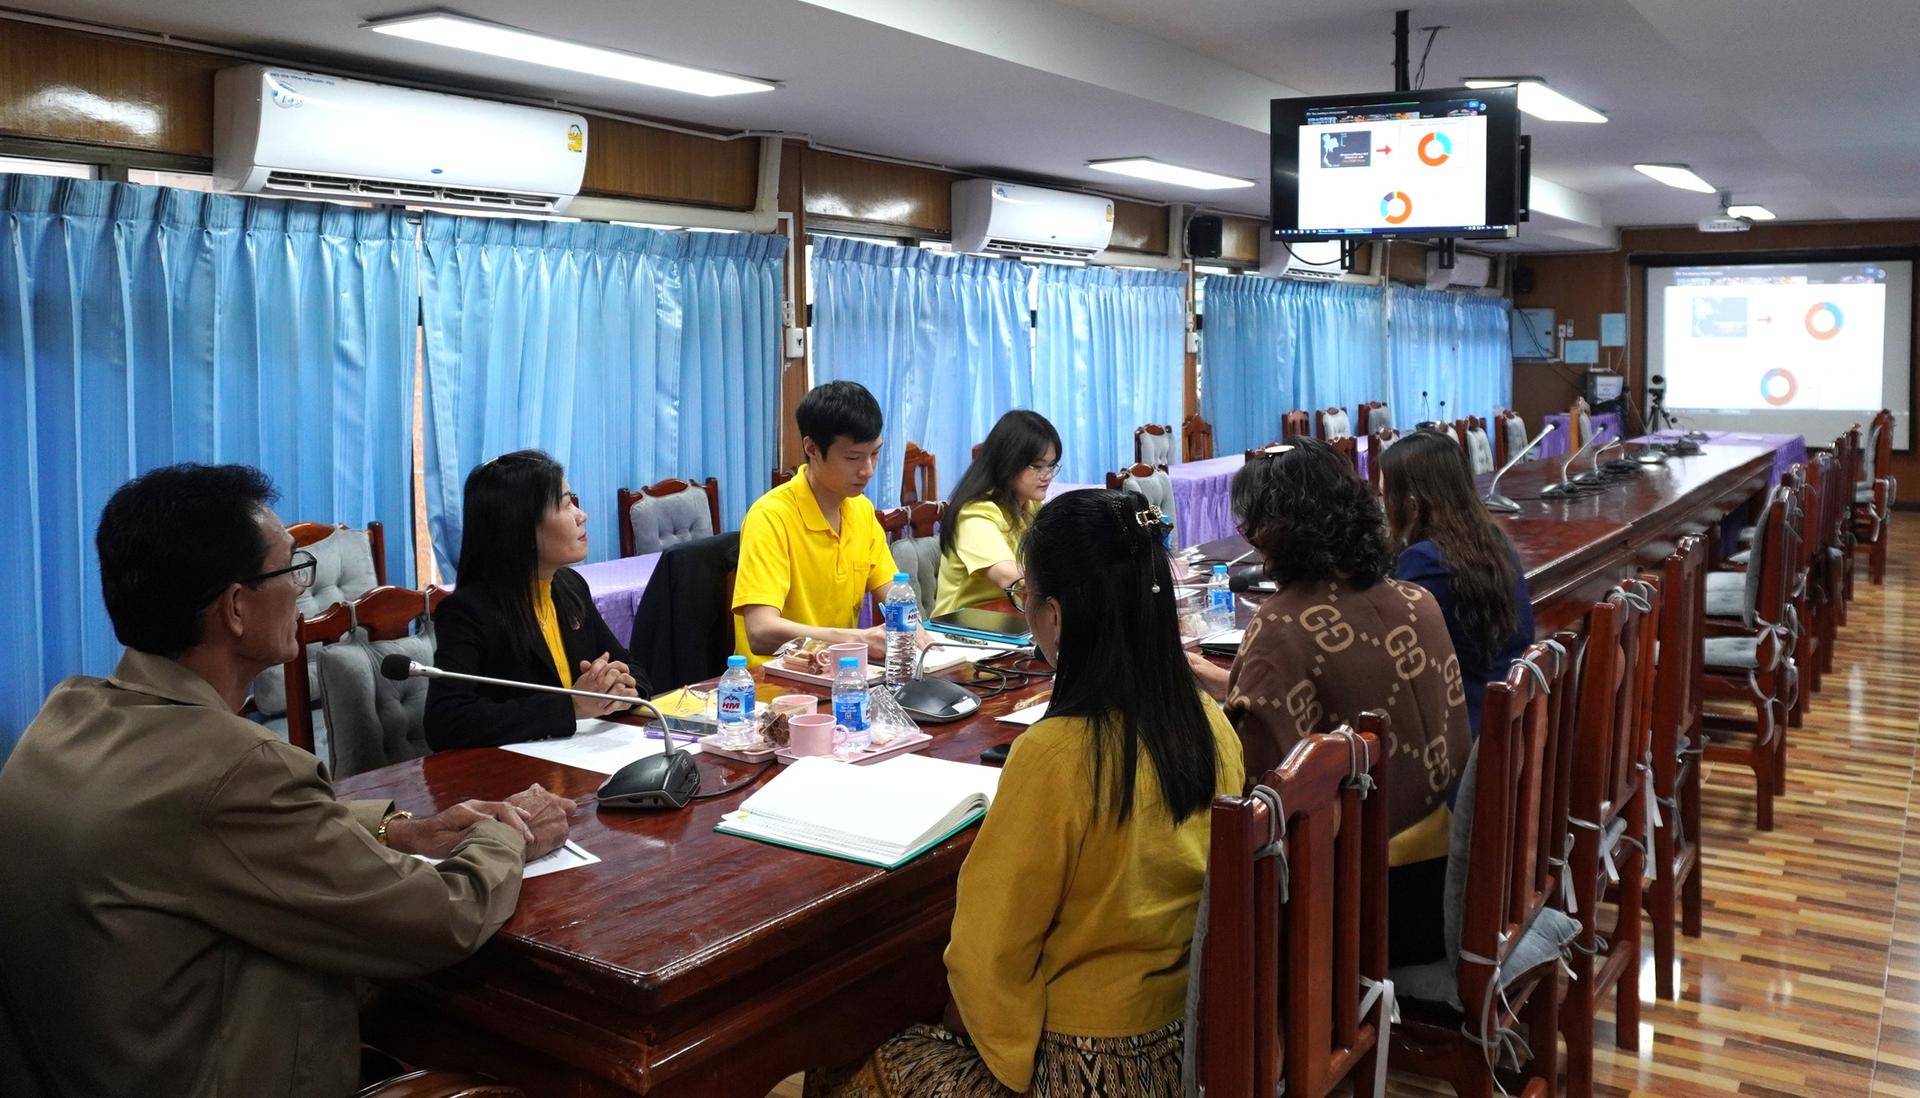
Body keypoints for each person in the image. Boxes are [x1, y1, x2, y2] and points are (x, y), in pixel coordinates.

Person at [0, 464, 572, 1097]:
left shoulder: (66, 715)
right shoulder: (237, 768)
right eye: (292, 571)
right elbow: (442, 919)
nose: (307, 594)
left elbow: (208, 836)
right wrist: (509, 840)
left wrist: (401, 829)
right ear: (236, 609)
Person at [818, 489, 1244, 1098]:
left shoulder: (1057, 754)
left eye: (1026, 599)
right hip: (1186, 1043)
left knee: (850, 1060)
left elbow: (986, 952)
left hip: (1083, 1069)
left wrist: (974, 1043)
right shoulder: (1208, 721)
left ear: (1057, 615)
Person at [1186, 438, 1468, 967]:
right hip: (1446, 879)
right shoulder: (1414, 598)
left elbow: (1256, 789)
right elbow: (1339, 699)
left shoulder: (1282, 624)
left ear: (1269, 533)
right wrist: (1218, 679)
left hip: (1363, 908)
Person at [426, 450, 644, 751]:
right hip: (516, 780)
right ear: (522, 526)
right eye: (566, 505)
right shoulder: (469, 611)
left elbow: (632, 667)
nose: (582, 515)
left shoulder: (570, 586)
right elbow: (446, 722)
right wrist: (572, 707)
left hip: (583, 758)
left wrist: (621, 686)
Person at [734, 381, 914, 666]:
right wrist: (858, 639)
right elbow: (760, 630)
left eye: (875, 453)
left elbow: (895, 593)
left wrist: (917, 634)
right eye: (853, 457)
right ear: (812, 448)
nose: (867, 470)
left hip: (843, 677)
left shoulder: (861, 511)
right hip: (777, 688)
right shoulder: (770, 517)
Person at [1378, 429, 1534, 736]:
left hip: (1465, 736)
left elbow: (1390, 650)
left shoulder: (1425, 560)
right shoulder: (1492, 539)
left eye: (1384, 497)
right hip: (1511, 718)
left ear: (1410, 505)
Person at [933, 410, 1061, 617]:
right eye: (1037, 467)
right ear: (1008, 463)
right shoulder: (974, 513)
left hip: (1010, 620)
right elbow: (1012, 578)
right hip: (962, 631)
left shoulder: (1030, 506)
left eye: (1051, 465)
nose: (1047, 476)